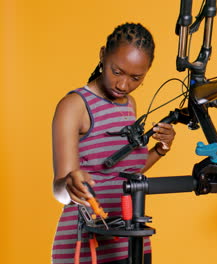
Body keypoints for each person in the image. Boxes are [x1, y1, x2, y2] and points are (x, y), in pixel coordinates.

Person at [51, 22, 175, 264]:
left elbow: (127, 174)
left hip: (132, 240)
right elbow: (59, 191)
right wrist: (69, 183)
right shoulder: (75, 105)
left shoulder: (130, 105)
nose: (123, 85)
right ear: (102, 56)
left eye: (135, 78)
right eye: (116, 71)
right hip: (85, 245)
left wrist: (161, 149)